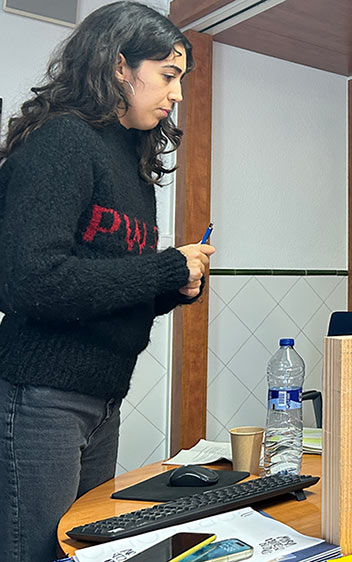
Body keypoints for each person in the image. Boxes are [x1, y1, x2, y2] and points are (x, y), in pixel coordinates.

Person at [0, 3, 215, 560]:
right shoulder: (61, 141)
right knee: (37, 554)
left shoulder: (130, 155)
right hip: (41, 398)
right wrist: (165, 267)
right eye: (168, 76)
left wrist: (173, 287)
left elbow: (104, 281)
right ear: (121, 66)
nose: (176, 94)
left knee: (80, 552)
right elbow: (32, 281)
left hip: (103, 399)